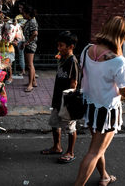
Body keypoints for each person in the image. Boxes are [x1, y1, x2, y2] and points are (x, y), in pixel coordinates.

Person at [74, 16, 125, 186]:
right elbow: (124, 92)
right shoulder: (119, 61)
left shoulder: (87, 49)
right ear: (122, 36)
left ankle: (104, 175)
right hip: (106, 111)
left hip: (90, 106)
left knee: (97, 147)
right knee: (94, 152)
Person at [40, 31, 79, 164]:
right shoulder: (63, 58)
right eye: (58, 45)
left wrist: (70, 100)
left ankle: (70, 151)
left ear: (71, 47)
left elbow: (74, 82)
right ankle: (57, 147)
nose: (59, 48)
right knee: (55, 123)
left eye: (61, 46)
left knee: (70, 126)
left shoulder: (72, 61)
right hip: (58, 97)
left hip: (67, 99)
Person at [20, 4, 38, 92]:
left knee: (30, 65)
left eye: (24, 13)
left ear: (28, 13)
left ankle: (30, 84)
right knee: (31, 64)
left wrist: (27, 42)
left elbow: (35, 33)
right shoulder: (29, 21)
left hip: (30, 46)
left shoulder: (32, 22)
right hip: (29, 45)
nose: (23, 15)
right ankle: (33, 81)